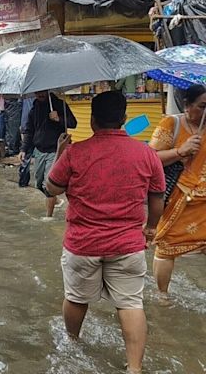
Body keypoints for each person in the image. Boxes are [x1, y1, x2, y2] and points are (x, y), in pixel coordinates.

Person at [45, 91, 165, 374]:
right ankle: (134, 368)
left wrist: (61, 154)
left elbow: (51, 188)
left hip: (83, 245)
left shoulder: (75, 153)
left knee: (76, 297)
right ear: (124, 119)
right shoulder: (147, 153)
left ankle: (73, 343)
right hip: (128, 245)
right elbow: (157, 197)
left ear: (93, 120)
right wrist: (150, 228)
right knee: (131, 304)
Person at [148, 84, 206, 295]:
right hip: (178, 198)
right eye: (202, 106)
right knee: (167, 248)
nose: (204, 112)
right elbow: (150, 159)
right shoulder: (170, 124)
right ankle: (163, 295)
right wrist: (180, 151)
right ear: (187, 105)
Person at [19, 91, 77, 218]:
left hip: (55, 150)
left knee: (48, 184)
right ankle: (56, 200)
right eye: (37, 93)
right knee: (39, 184)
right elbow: (29, 131)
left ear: (47, 90)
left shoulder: (59, 105)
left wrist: (59, 119)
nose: (39, 95)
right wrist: (23, 149)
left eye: (42, 92)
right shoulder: (34, 109)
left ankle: (48, 216)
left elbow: (73, 123)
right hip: (39, 150)